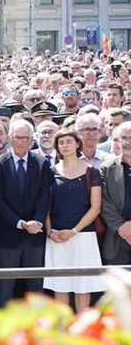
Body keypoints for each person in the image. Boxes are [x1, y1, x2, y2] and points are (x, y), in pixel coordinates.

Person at [0, 118, 53, 307]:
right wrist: (20, 223)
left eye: (26, 138)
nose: (21, 142)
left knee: (35, 287)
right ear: (10, 138)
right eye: (18, 137)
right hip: (8, 235)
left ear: (32, 140)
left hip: (35, 236)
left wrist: (37, 222)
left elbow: (45, 196)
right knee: (5, 288)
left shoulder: (42, 163)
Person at [43, 129, 105, 310]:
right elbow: (45, 206)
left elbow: (95, 208)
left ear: (77, 144)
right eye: (61, 143)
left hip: (83, 236)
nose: (65, 145)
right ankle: (63, 332)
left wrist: (74, 231)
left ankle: (81, 332)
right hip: (56, 237)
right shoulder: (50, 171)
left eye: (69, 141)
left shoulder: (92, 172)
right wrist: (50, 231)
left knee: (83, 287)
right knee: (60, 287)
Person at [99, 120, 131, 265]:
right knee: (119, 287)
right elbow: (103, 201)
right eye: (124, 138)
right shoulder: (107, 167)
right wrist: (121, 227)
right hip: (117, 238)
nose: (127, 142)